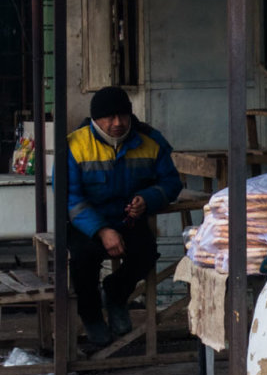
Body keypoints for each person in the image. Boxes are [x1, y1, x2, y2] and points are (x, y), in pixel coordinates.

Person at [65, 86, 181, 349]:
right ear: (95, 119)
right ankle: (92, 317)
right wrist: (102, 230)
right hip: (86, 224)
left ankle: (116, 295)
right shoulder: (74, 145)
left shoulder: (152, 141)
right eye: (109, 117)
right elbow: (69, 198)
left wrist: (147, 198)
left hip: (128, 221)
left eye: (123, 116)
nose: (117, 123)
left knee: (146, 252)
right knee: (84, 260)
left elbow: (171, 183)